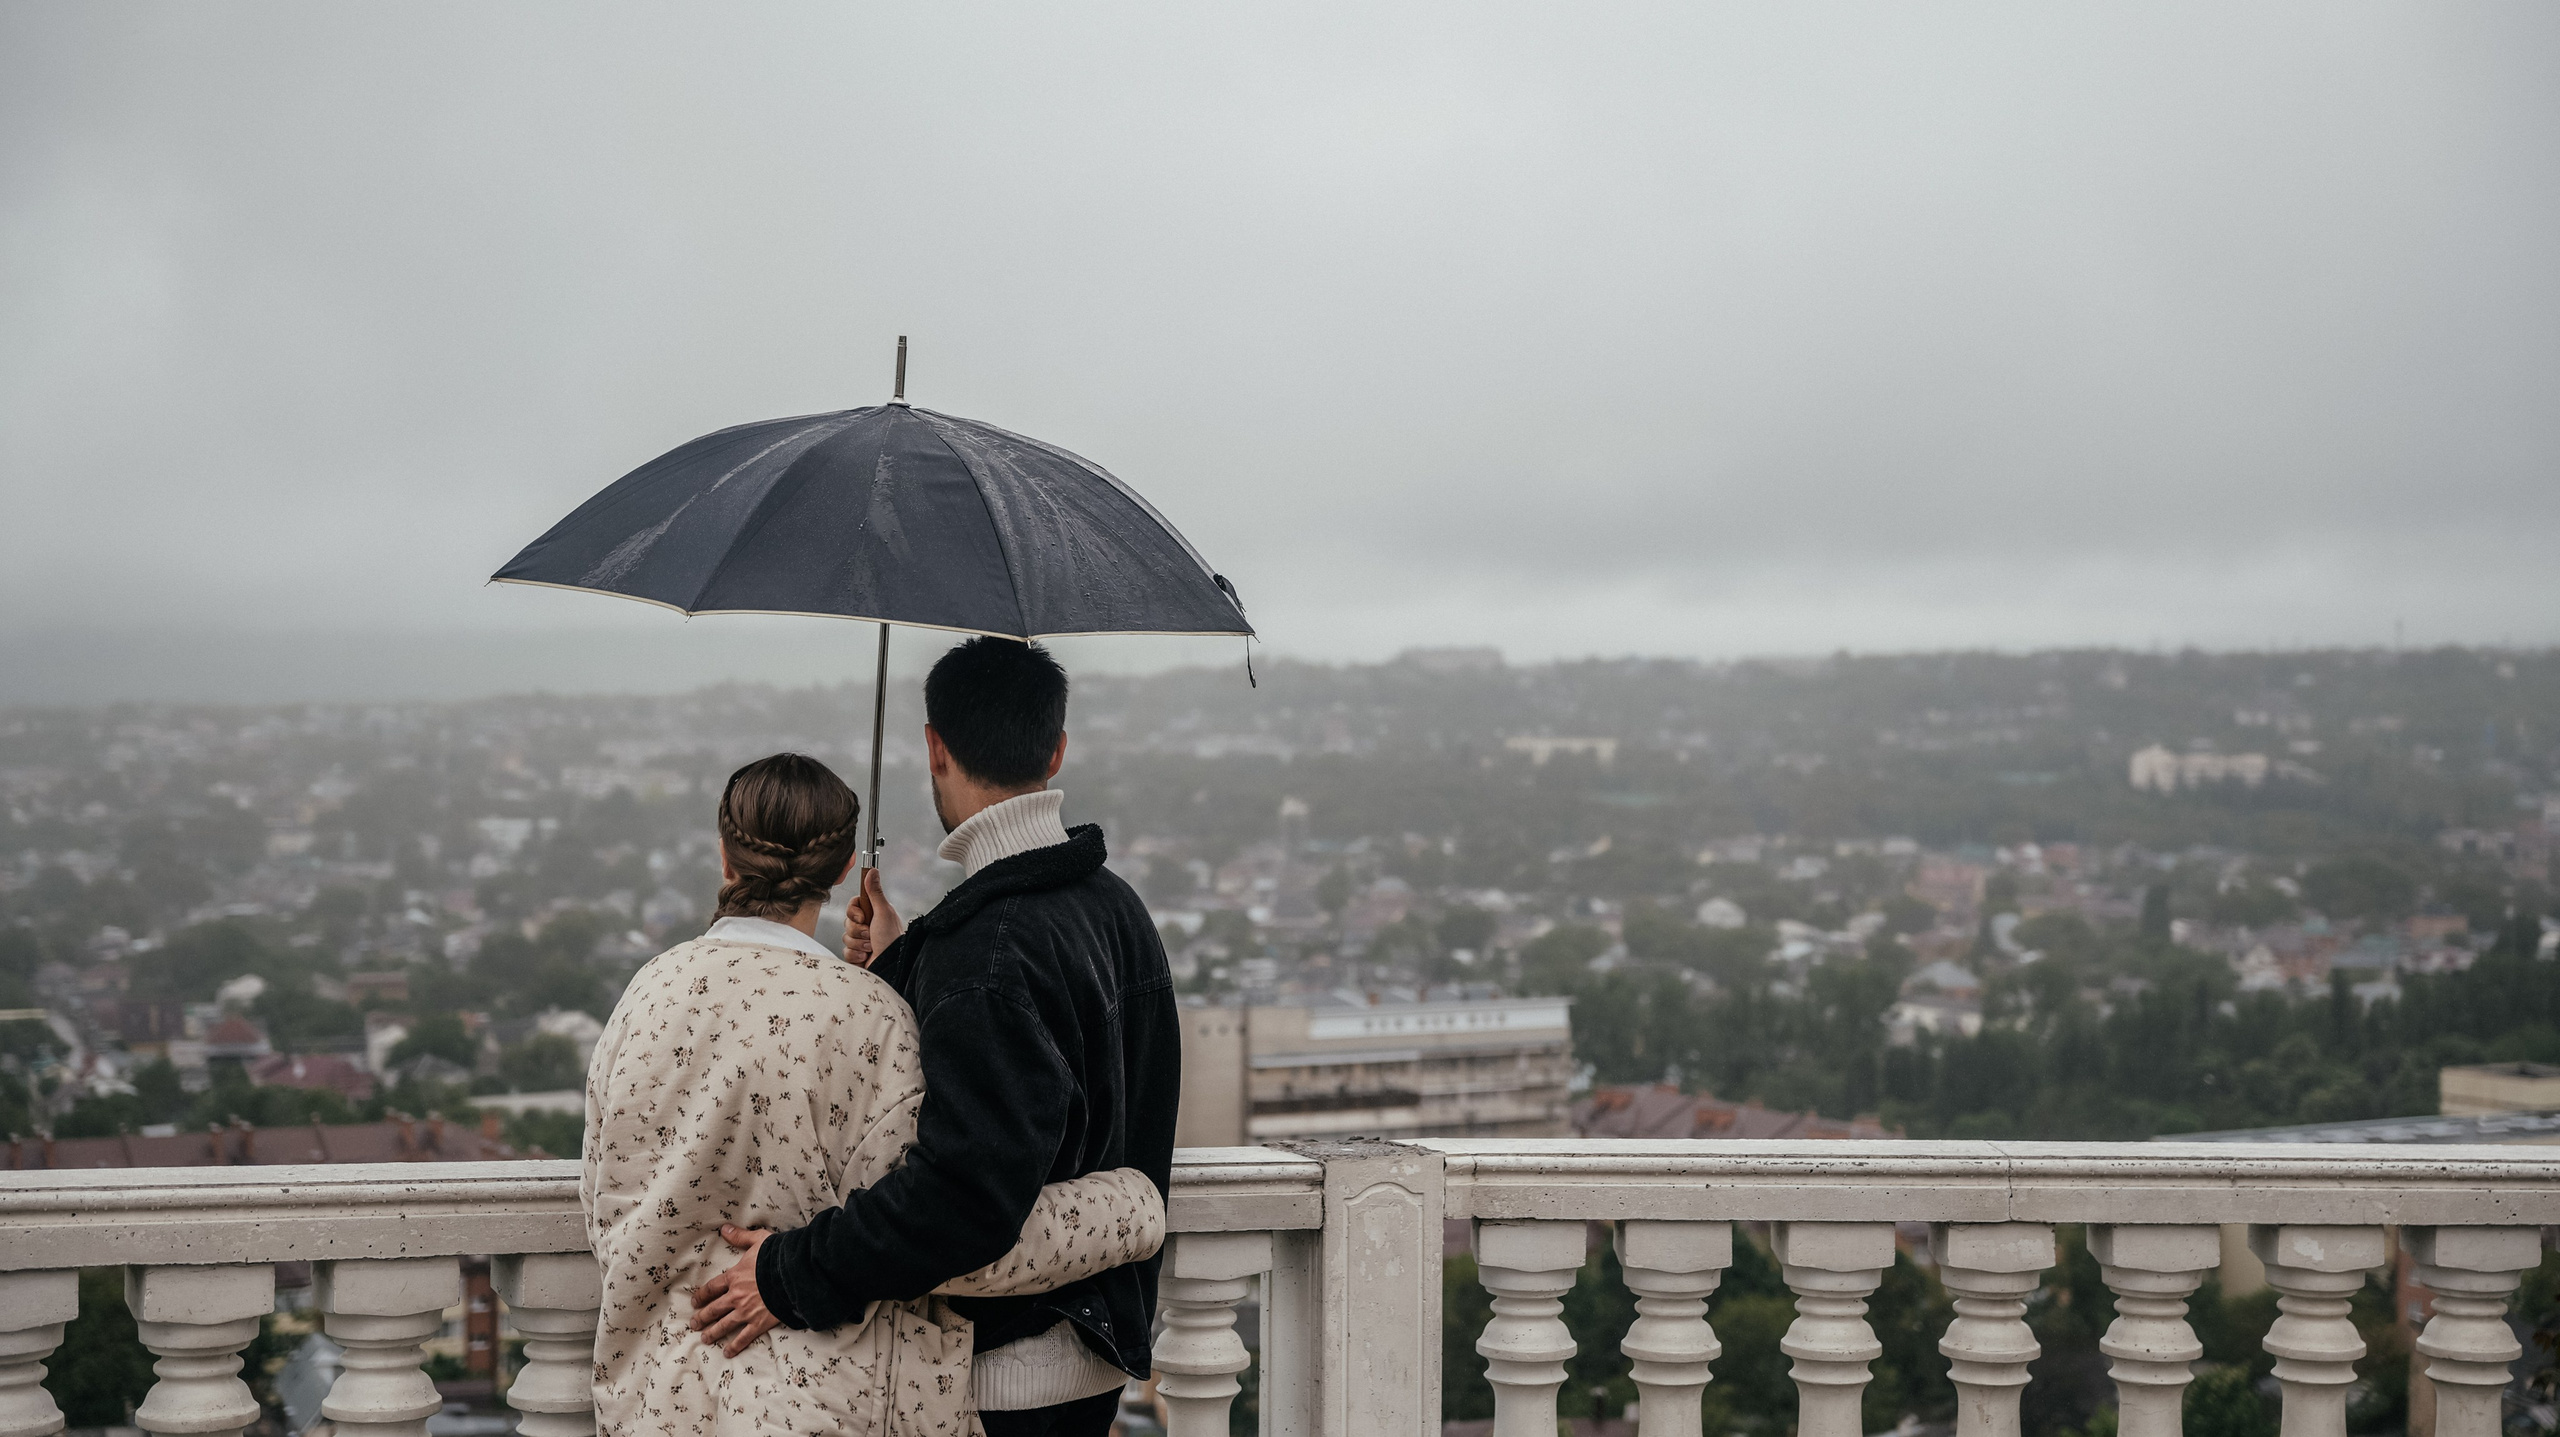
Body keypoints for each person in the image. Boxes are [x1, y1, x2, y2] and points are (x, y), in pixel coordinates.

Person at [583, 752, 1164, 1436]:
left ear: (725, 854)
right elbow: (938, 1236)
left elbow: (608, 1209)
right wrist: (1128, 1204)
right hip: (821, 1409)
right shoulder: (873, 1021)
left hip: (657, 1405)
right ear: (839, 869)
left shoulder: (646, 996)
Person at [698, 638, 1181, 1437]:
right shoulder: (1114, 906)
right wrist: (903, 958)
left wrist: (787, 1274)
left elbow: (962, 1195)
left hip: (1000, 1377)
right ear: (1056, 750)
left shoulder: (983, 950)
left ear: (934, 747)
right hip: (1092, 1350)